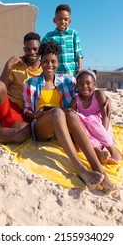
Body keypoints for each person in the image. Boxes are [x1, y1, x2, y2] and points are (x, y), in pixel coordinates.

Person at [23, 41, 116, 190]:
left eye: (53, 61)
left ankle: (100, 170)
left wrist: (107, 98)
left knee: (72, 115)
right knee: (58, 112)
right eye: (45, 61)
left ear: (58, 62)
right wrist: (36, 114)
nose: (49, 65)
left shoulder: (68, 80)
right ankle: (81, 169)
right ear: (41, 62)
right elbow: (26, 110)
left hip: (62, 125)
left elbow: (88, 92)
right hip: (41, 126)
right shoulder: (31, 83)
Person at [69, 69, 123, 164]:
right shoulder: (75, 100)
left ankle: (113, 152)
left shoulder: (98, 94)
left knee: (91, 119)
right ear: (77, 85)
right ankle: (97, 151)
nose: (84, 86)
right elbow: (73, 118)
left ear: (95, 84)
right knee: (80, 126)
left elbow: (105, 116)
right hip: (88, 131)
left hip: (101, 127)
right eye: (81, 83)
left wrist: (103, 134)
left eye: (88, 83)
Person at [41, 4, 83, 76]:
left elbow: (78, 53)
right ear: (54, 20)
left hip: (71, 72)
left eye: (66, 19)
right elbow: (40, 49)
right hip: (56, 73)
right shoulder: (49, 36)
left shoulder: (73, 34)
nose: (63, 22)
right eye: (59, 19)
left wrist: (80, 67)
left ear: (69, 21)